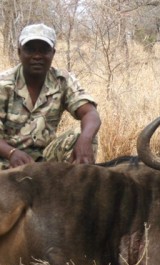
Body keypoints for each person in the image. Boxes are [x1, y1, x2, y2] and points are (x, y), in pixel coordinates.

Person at [0, 23, 101, 170]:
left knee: (83, 134)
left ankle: (73, 190)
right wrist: (11, 153)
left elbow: (90, 113)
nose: (37, 56)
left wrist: (85, 140)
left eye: (44, 50)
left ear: (53, 53)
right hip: (6, 158)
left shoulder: (62, 80)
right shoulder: (4, 84)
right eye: (30, 49)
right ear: (19, 52)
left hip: (45, 160)